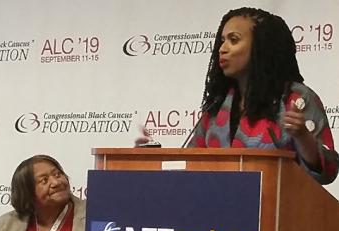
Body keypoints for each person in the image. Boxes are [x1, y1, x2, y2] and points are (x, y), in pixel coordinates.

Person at [136, 7, 339, 185]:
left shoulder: (295, 98)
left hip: (280, 218)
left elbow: (328, 172)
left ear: (262, 46)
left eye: (233, 40)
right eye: (222, 41)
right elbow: (192, 163)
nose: (222, 49)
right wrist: (152, 159)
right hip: (222, 223)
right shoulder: (218, 106)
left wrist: (303, 138)